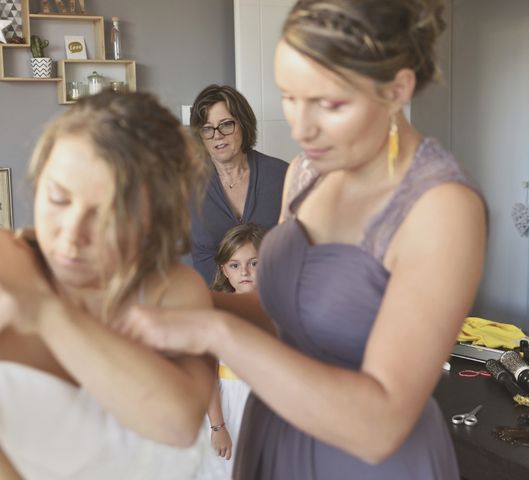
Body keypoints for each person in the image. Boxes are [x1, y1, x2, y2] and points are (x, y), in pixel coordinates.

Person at [113, 0, 487, 479]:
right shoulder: (307, 172)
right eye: (290, 96)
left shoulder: (442, 207)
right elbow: (278, 311)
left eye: (328, 103)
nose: (299, 127)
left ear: (397, 90)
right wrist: (169, 300)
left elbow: (381, 425)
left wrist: (214, 331)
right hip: (279, 434)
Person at [0, 91, 215, 480]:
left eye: (107, 215)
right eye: (58, 198)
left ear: (154, 218)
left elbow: (177, 424)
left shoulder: (174, 290)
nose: (72, 236)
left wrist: (46, 314)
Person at [189, 84, 288, 285]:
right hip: (212, 303)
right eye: (207, 129)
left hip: (273, 300)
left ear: (243, 124)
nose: (217, 135)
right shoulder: (187, 183)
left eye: (226, 124)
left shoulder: (281, 175)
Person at [201, 224, 266, 479]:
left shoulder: (279, 310)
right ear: (223, 270)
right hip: (229, 407)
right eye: (235, 265)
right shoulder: (216, 313)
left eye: (254, 263)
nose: (245, 272)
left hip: (269, 403)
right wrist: (218, 426)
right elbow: (207, 374)